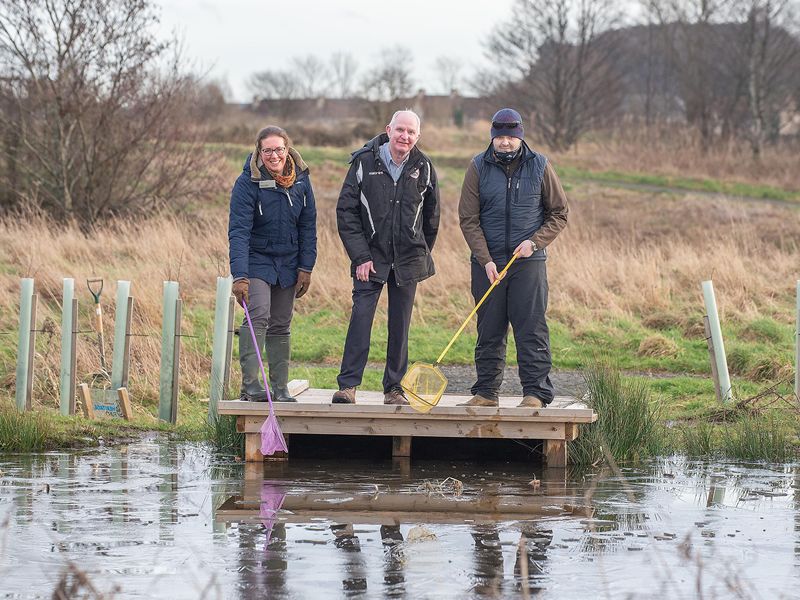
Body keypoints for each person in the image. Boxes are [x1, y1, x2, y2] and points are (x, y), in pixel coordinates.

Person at [458, 108, 568, 408]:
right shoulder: (478, 167)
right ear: (492, 137)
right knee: (488, 328)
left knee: (531, 329)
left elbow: (559, 214)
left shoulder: (540, 166)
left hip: (528, 264)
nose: (505, 142)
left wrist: (535, 242)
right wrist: (485, 259)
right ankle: (486, 393)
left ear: (520, 136)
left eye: (510, 137)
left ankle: (535, 393)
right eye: (500, 137)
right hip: (488, 265)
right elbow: (468, 219)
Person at [332, 110, 440, 405]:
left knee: (400, 325)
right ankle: (348, 386)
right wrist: (360, 256)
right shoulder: (364, 162)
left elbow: (431, 219)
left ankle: (394, 389)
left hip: (407, 259)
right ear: (388, 130)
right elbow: (346, 213)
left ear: (417, 136)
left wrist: (419, 253)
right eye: (400, 130)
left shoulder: (424, 166)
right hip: (370, 259)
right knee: (361, 319)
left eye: (411, 132)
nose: (405, 136)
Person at [229, 126, 317, 402]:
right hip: (257, 260)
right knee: (258, 314)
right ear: (259, 152)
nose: (274, 155)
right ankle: (251, 386)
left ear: (287, 149)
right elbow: (239, 231)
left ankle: (280, 389)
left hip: (289, 263)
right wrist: (240, 275)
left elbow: (308, 227)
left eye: (279, 149)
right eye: (267, 150)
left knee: (281, 323)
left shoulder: (302, 181)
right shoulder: (247, 183)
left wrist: (306, 267)